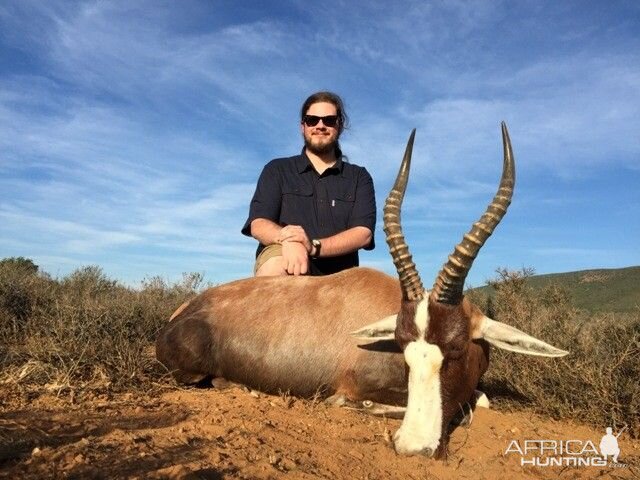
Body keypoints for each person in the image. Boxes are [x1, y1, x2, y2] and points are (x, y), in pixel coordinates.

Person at [241, 91, 376, 276]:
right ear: (303, 126)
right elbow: (258, 224)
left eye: (329, 120)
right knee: (276, 266)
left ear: (340, 126)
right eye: (312, 120)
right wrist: (290, 241)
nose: (320, 126)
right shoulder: (277, 169)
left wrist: (312, 246)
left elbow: (363, 234)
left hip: (341, 279)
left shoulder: (359, 177)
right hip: (288, 258)